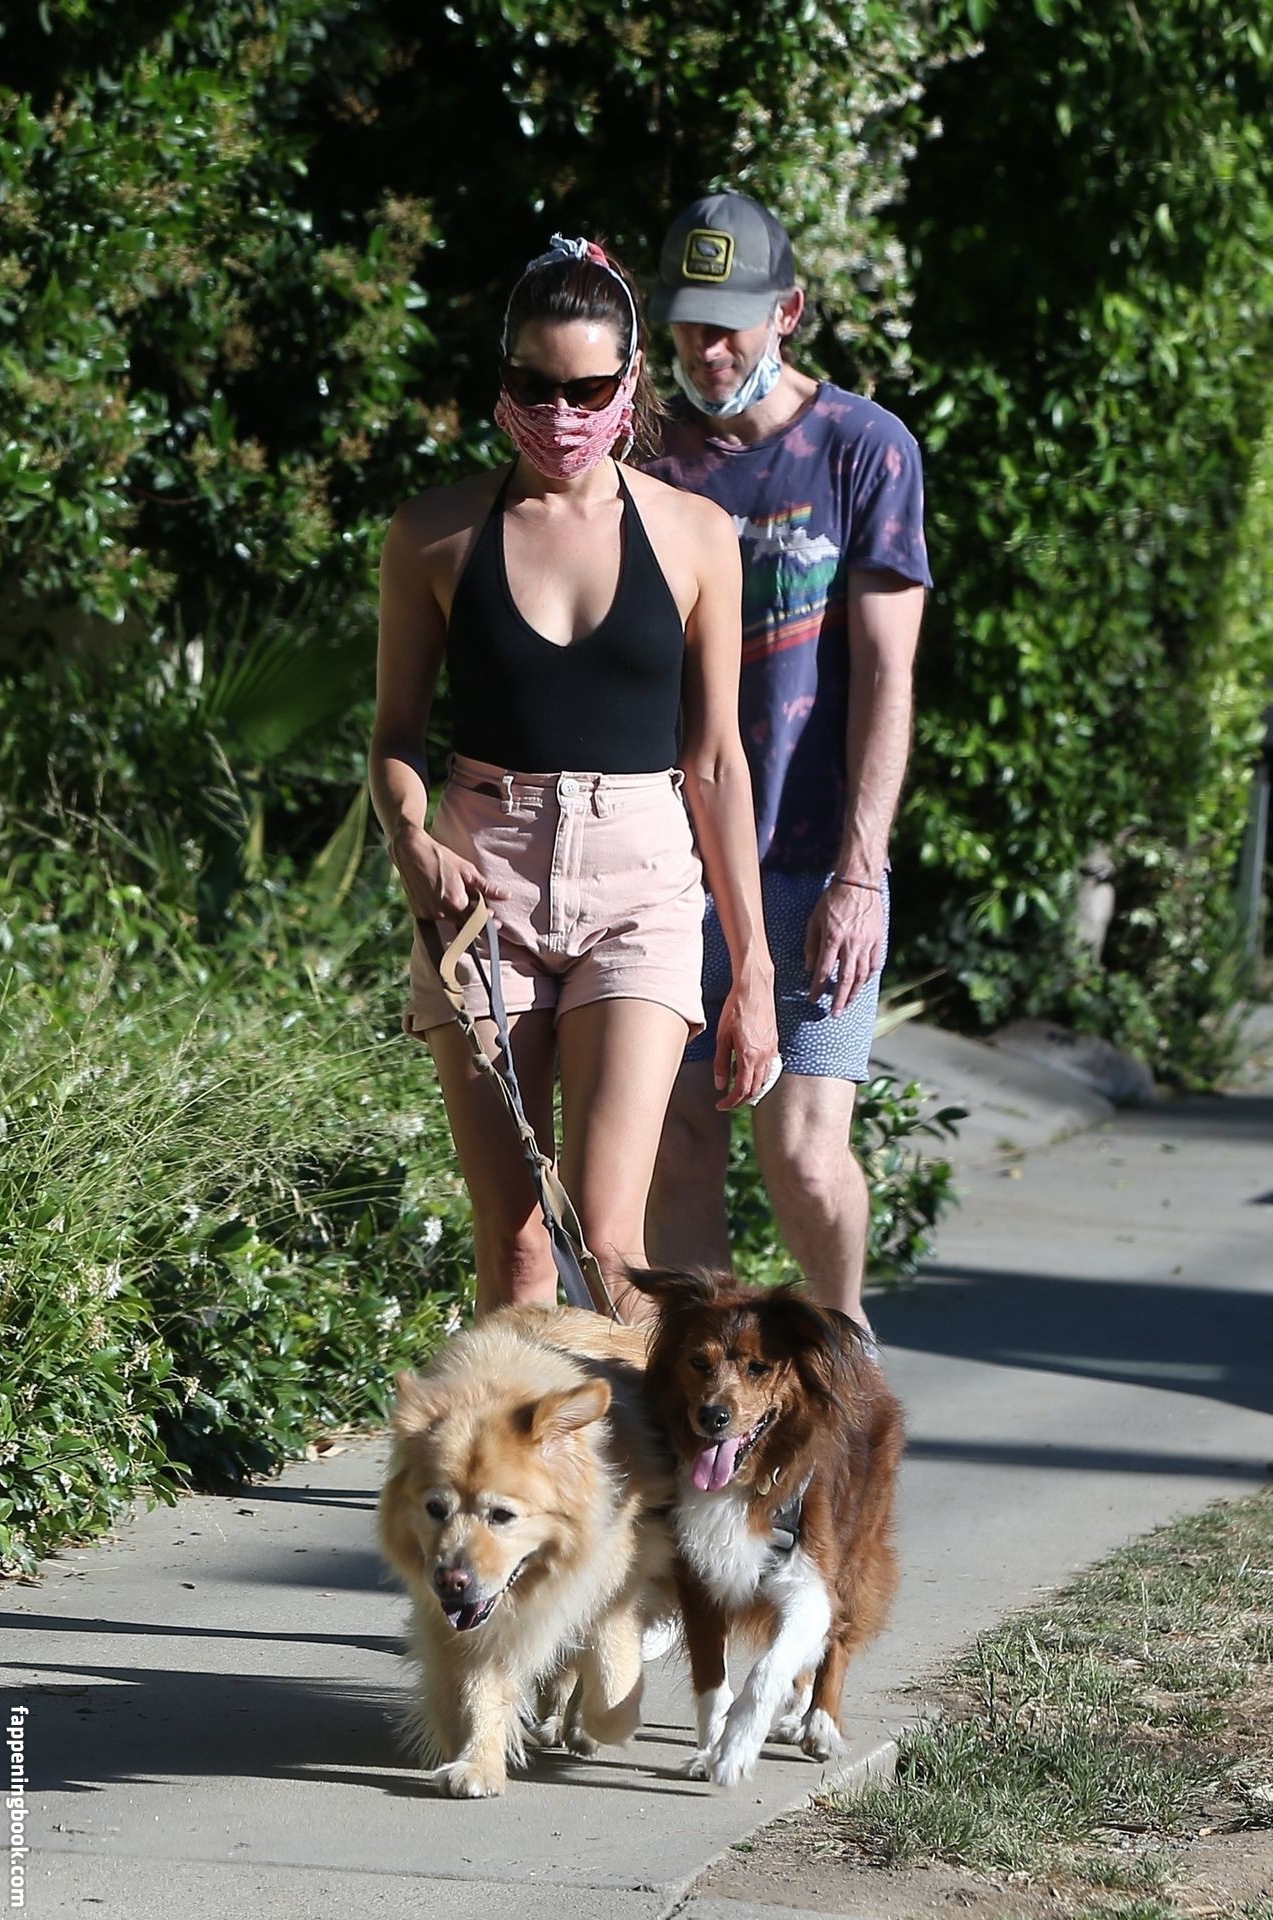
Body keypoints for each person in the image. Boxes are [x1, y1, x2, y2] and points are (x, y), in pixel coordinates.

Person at [369, 234, 778, 1320]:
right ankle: (528, 1439)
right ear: (502, 379)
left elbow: (716, 759)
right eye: (534, 386)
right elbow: (395, 737)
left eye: (588, 390)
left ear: (629, 380)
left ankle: (639, 1438)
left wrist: (752, 968)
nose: (560, 414)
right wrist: (411, 841)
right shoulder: (433, 534)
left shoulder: (695, 534)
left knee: (607, 1243)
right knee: (514, 1247)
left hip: (639, 881)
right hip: (484, 879)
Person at [643, 191, 931, 1349]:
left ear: (788, 313)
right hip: (668, 866)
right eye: (685, 324)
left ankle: (842, 1355)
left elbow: (886, 676)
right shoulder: (642, 452)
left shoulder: (863, 449)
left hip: (814, 862)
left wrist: (861, 873)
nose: (705, 349)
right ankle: (708, 1402)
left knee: (804, 1153)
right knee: (678, 1145)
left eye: (728, 325)